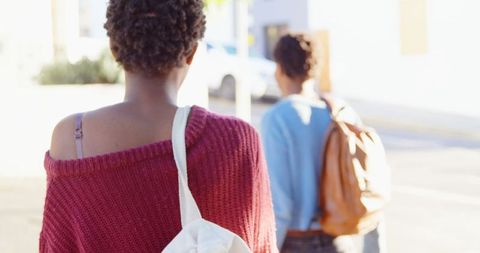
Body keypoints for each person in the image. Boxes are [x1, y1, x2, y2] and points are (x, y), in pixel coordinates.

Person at [39, 0, 277, 252]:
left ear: (113, 48)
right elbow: (261, 246)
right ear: (192, 52)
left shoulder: (73, 138)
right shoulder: (237, 140)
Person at [261, 33, 384, 253]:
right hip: (340, 242)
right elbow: (368, 188)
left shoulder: (277, 119)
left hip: (295, 243)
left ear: (279, 69)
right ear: (313, 69)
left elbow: (281, 208)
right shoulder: (342, 112)